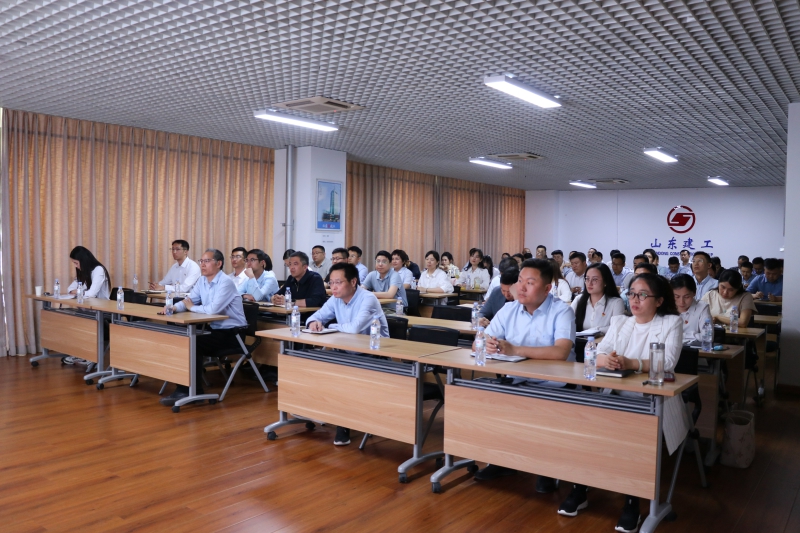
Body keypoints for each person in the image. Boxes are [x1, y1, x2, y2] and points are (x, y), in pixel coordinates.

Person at [558, 273, 686, 533]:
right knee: (585, 427)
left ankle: (631, 503)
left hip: (653, 402)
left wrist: (632, 363)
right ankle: (580, 489)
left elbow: (668, 362)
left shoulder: (671, 323)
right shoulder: (620, 322)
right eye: (632, 294)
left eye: (642, 295)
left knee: (632, 434)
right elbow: (596, 354)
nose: (635, 299)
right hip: (615, 397)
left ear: (659, 300)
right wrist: (608, 360)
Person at [473, 258, 575, 491]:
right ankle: (500, 461)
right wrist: (487, 345)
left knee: (540, 411)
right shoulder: (509, 309)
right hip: (516, 381)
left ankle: (547, 469)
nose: (521, 287)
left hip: (553, 385)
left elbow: (561, 352)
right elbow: (479, 342)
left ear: (547, 289)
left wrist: (515, 349)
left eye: (530, 282)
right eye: (520, 281)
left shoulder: (562, 311)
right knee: (487, 401)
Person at [306, 262, 389, 446]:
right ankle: (316, 411)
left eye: (338, 282)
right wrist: (313, 323)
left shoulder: (368, 298)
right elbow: (315, 316)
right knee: (314, 367)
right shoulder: (336, 298)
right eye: (331, 282)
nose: (333, 287)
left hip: (374, 355)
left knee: (341, 376)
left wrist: (331, 325)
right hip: (347, 352)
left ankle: (343, 425)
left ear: (353, 282)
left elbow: (354, 329)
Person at [159, 249, 247, 407]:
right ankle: (185, 389)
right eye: (201, 261)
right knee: (183, 339)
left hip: (233, 334)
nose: (202, 265)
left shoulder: (225, 282)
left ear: (218, 264)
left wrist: (192, 308)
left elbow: (213, 310)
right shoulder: (202, 281)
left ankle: (193, 392)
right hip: (215, 330)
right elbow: (189, 300)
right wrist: (174, 307)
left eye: (207, 261)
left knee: (192, 343)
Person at [64, 246, 111, 365]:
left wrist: (79, 291)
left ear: (83, 260)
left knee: (81, 322)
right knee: (73, 321)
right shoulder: (84, 272)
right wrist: (79, 291)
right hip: (88, 309)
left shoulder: (98, 270)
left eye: (76, 263)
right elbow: (70, 289)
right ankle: (81, 354)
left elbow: (92, 293)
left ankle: (89, 356)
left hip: (102, 309)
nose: (76, 266)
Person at [571, 263, 626, 334]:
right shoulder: (578, 299)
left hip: (604, 341)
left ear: (605, 282)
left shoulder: (616, 303)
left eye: (595, 279)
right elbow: (566, 322)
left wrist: (595, 330)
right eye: (587, 279)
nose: (589, 283)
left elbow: (617, 328)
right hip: (580, 340)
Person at [670, 274, 712, 344]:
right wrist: (695, 335)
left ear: (694, 293)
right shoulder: (667, 308)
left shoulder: (702, 308)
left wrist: (680, 335)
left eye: (686, 297)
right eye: (677, 297)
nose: (681, 302)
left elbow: (707, 337)